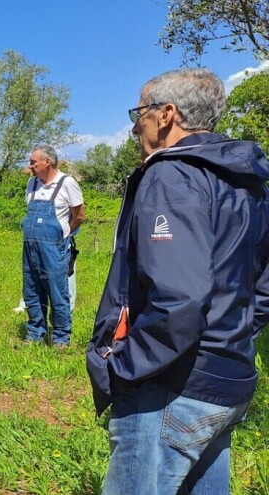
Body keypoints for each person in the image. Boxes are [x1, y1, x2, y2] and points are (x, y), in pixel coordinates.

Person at [86, 68, 269, 495]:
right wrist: (233, 336)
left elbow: (180, 298)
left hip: (172, 386)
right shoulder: (248, 181)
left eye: (140, 113)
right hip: (228, 378)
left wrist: (126, 367)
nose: (135, 126)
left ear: (167, 114)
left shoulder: (172, 175)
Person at [21, 146, 85, 347]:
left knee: (57, 292)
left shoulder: (67, 183)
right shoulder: (32, 183)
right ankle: (36, 334)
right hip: (30, 247)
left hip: (54, 248)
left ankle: (61, 338)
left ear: (47, 162)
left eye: (33, 162)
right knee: (32, 290)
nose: (30, 166)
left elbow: (79, 215)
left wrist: (64, 234)